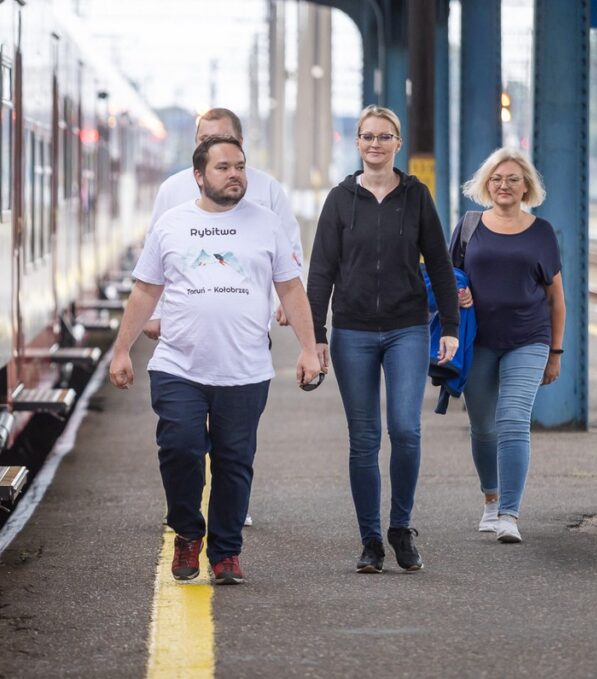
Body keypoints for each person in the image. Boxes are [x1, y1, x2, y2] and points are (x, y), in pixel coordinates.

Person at [109, 135, 322, 585]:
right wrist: (122, 350)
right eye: (224, 167)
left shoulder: (266, 224)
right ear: (199, 176)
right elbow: (146, 289)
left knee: (234, 461)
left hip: (245, 369)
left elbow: (290, 289)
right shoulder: (172, 223)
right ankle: (188, 530)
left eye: (240, 166)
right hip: (178, 365)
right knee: (180, 448)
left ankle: (226, 553)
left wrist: (308, 347)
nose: (235, 175)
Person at [306, 105, 460, 574]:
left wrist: (449, 326)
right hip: (352, 330)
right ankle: (371, 540)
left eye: (384, 136)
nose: (375, 144)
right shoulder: (339, 199)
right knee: (364, 438)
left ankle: (401, 527)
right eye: (367, 136)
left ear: (398, 142)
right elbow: (321, 272)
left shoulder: (417, 196)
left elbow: (438, 262)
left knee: (406, 429)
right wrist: (316, 337)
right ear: (357, 143)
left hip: (406, 328)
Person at [145, 107, 303, 528]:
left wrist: (284, 310)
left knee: (234, 444)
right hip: (182, 340)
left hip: (245, 334)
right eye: (204, 140)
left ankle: (229, 516)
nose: (211, 145)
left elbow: (289, 256)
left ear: (240, 144)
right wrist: (154, 315)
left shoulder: (266, 192)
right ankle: (188, 516)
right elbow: (152, 263)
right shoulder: (171, 192)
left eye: (222, 140)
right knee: (183, 440)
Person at [455, 148, 565, 544]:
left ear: (526, 187)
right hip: (478, 341)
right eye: (497, 179)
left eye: (513, 179)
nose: (504, 185)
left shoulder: (541, 232)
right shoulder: (469, 226)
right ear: (487, 184)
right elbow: (447, 277)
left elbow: (557, 297)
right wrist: (459, 294)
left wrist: (555, 352)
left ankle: (509, 514)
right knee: (483, 427)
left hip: (528, 339)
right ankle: (490, 498)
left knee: (514, 420)